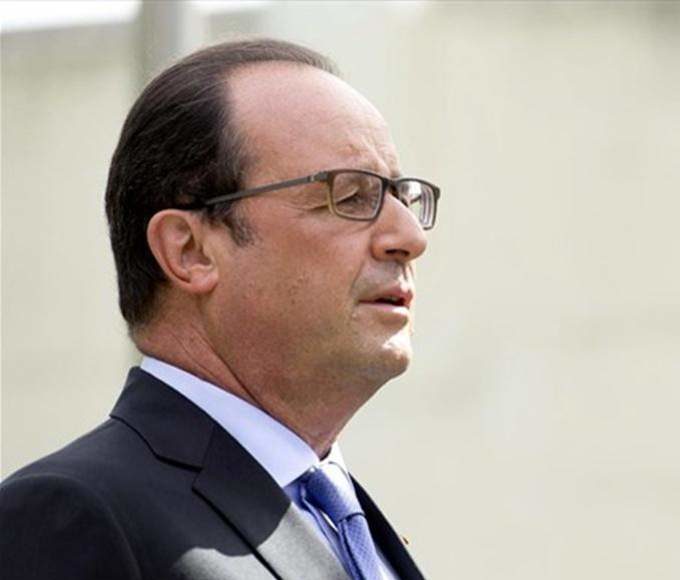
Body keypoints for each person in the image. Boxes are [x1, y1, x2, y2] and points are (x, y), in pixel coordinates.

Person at [0, 38, 439, 580]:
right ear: (190, 251)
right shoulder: (67, 519)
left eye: (402, 198)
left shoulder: (347, 522)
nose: (409, 237)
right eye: (350, 196)